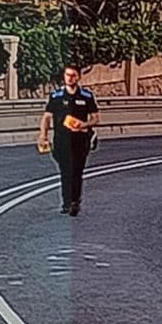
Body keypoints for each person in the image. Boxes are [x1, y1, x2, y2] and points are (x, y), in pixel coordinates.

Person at [39, 66, 100, 216]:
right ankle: (66, 202)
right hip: (61, 140)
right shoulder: (56, 96)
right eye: (67, 75)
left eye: (73, 75)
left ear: (78, 77)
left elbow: (96, 118)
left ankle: (75, 201)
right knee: (65, 172)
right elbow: (47, 117)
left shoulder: (86, 96)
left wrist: (84, 125)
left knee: (77, 172)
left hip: (80, 139)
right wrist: (43, 135)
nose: (70, 78)